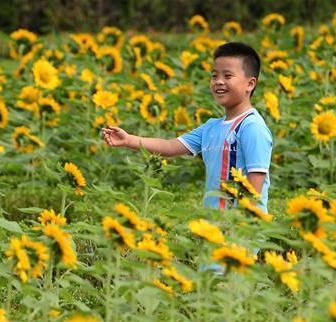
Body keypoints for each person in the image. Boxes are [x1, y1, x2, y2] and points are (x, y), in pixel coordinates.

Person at [101, 42, 273, 215]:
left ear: (250, 84)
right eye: (214, 76)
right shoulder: (211, 127)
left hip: (242, 230)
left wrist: (244, 224)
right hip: (215, 227)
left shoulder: (252, 127)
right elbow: (170, 147)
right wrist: (129, 140)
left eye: (227, 76)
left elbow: (255, 184)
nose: (219, 82)